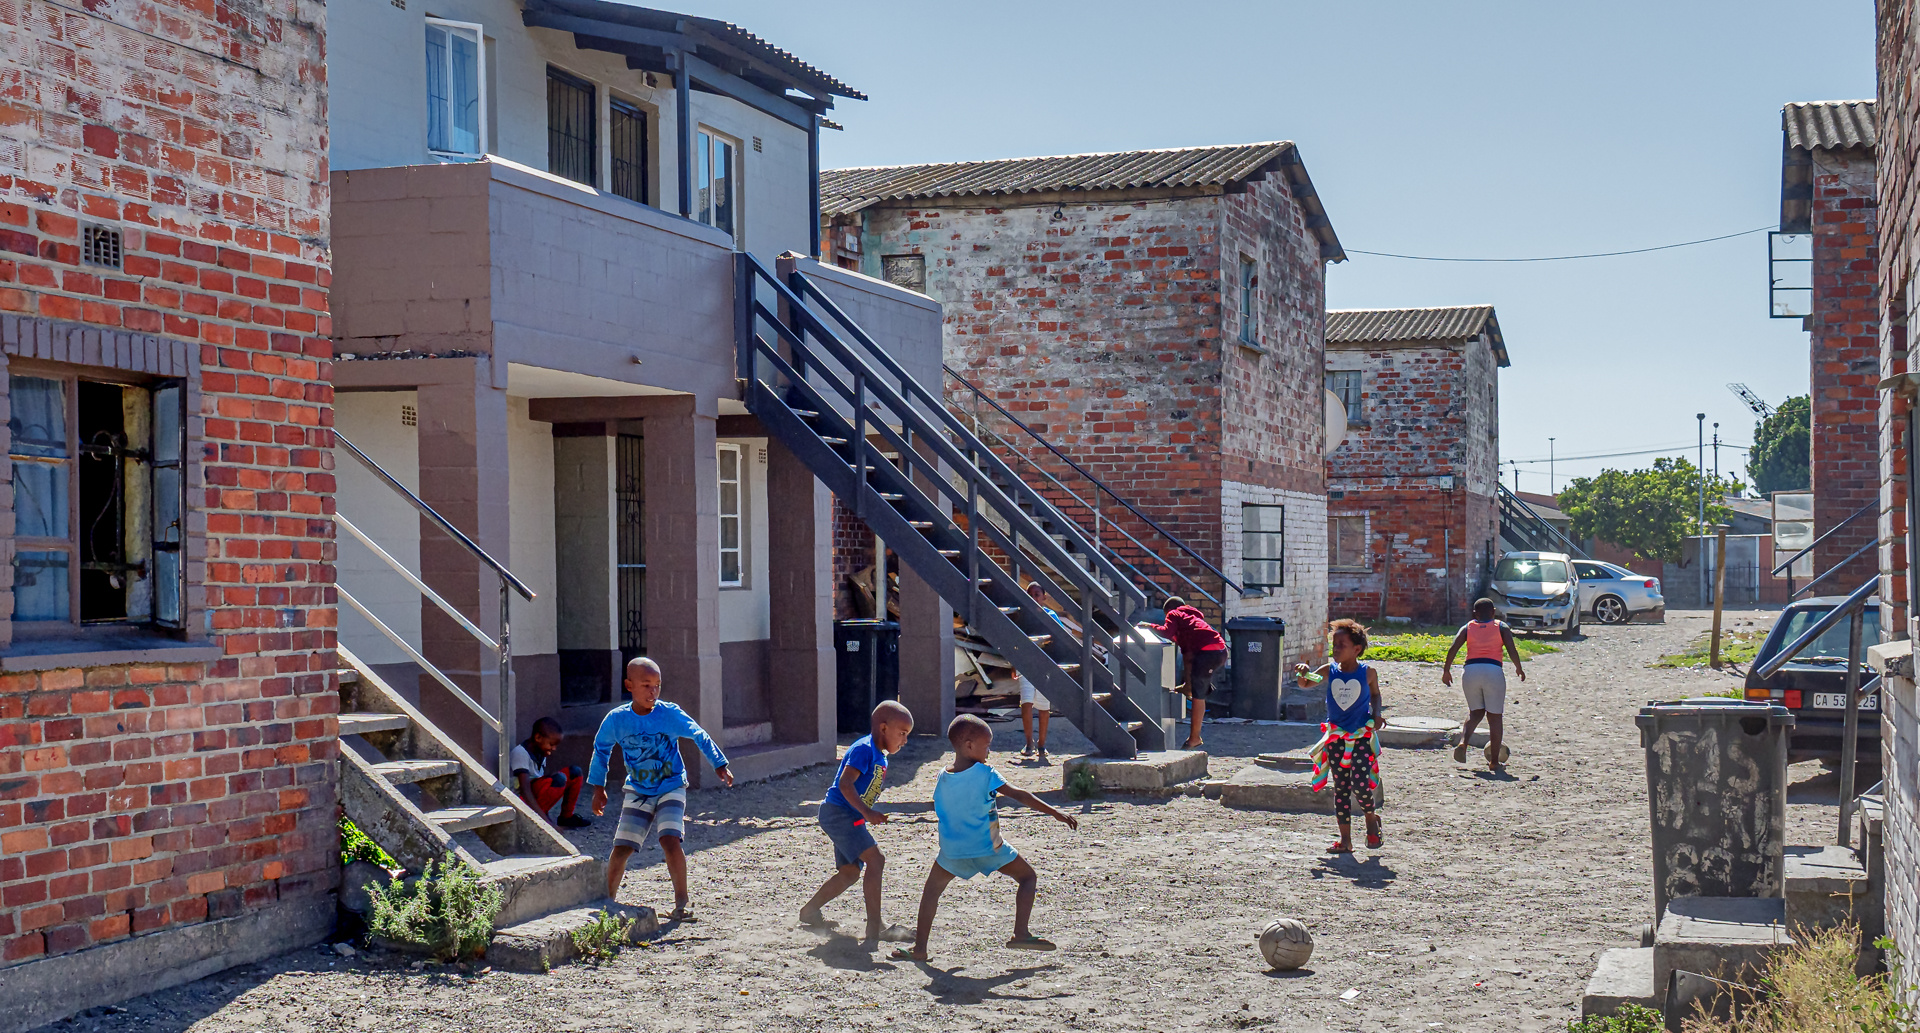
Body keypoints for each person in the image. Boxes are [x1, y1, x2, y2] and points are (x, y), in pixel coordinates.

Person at [890, 714, 1079, 962]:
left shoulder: (942, 776)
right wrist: (1055, 812)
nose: (989, 752)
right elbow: (1019, 795)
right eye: (987, 746)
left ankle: (920, 949)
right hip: (988, 848)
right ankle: (1020, 933)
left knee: (931, 893)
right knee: (1027, 877)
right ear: (969, 746)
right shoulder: (985, 772)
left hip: (952, 852)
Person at [588, 656, 732, 920]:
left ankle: (682, 903)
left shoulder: (670, 713)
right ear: (629, 685)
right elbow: (601, 750)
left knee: (669, 838)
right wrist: (598, 787)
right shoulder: (617, 720)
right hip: (639, 790)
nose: (652, 691)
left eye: (657, 685)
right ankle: (607, 901)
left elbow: (698, 734)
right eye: (645, 685)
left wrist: (719, 764)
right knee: (622, 848)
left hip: (671, 785)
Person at [798, 700, 916, 943]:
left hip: (847, 815)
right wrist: (866, 812)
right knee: (876, 860)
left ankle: (809, 912)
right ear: (884, 728)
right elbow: (844, 783)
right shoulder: (864, 749)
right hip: (840, 814)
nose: (905, 740)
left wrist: (864, 813)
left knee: (850, 873)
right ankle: (876, 927)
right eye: (902, 733)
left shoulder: (879, 755)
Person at [1294, 618, 1383, 854]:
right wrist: (1303, 673)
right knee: (1341, 788)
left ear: (1357, 649)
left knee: (1360, 784)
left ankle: (1371, 817)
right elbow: (1306, 683)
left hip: (1361, 738)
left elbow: (1375, 695)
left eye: (1341, 645)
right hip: (1335, 738)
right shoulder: (1328, 671)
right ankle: (1345, 840)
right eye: (1334, 645)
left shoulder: (1368, 673)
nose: (1336, 650)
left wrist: (1377, 714)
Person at [1440, 598, 1527, 771]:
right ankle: (1494, 762)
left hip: (1470, 671)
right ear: (1493, 612)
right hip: (1493, 671)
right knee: (1495, 718)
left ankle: (1464, 743)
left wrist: (1446, 670)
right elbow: (1511, 648)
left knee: (1475, 712)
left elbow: (1453, 648)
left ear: (1475, 613)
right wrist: (1519, 667)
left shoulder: (1467, 627)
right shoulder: (1501, 627)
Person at [1147, 596, 1228, 749]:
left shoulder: (1174, 614)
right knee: (1197, 686)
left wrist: (1149, 625)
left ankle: (1194, 738)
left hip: (1209, 653)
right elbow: (1188, 656)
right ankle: (1194, 686)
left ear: (1167, 612)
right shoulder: (1191, 621)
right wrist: (1187, 684)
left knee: (1199, 696)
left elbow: (1166, 632)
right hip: (1220, 651)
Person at [510, 717, 590, 828]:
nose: (554, 748)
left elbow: (540, 781)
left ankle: (566, 817)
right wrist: (547, 822)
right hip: (523, 799)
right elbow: (525, 790)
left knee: (575, 772)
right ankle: (538, 821)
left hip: (536, 792)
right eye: (551, 745)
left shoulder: (541, 752)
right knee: (558, 780)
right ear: (538, 738)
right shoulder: (520, 753)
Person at [1018, 581, 1055, 762]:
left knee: (1043, 706)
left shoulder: (1051, 616)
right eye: (1030, 594)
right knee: (1026, 702)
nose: (1033, 598)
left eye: (1037, 594)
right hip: (1025, 664)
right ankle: (1029, 743)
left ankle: (1042, 744)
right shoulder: (1023, 617)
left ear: (1044, 597)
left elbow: (1059, 639)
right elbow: (1015, 642)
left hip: (1045, 665)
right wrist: (1013, 664)